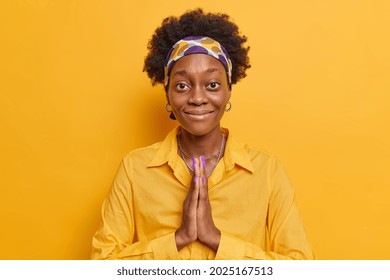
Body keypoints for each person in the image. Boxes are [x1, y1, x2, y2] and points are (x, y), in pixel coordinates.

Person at [91, 8, 315, 260]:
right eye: (182, 86)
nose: (197, 98)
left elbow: (301, 266)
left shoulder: (267, 171)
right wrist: (179, 238)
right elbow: (103, 263)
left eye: (212, 85)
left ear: (228, 90)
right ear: (167, 94)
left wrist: (216, 239)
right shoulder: (134, 169)